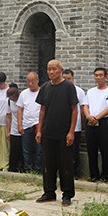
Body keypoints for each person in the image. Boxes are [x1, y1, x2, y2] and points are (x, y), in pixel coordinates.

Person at [35, 60, 78, 206]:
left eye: (54, 69)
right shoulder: (45, 87)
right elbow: (42, 110)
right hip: (48, 132)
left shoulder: (68, 87)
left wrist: (71, 131)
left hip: (64, 132)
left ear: (60, 70)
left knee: (65, 164)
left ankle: (67, 194)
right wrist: (39, 130)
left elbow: (74, 109)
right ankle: (49, 192)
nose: (51, 72)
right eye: (49, 69)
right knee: (48, 164)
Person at [83, 67, 108, 182]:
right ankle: (93, 175)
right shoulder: (91, 91)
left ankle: (105, 175)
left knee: (105, 150)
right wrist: (88, 116)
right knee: (91, 150)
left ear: (105, 76)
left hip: (104, 123)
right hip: (90, 122)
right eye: (96, 75)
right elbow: (85, 105)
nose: (98, 77)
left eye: (101, 75)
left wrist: (96, 118)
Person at [63, 69, 87, 178]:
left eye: (69, 78)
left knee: (74, 151)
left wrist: (82, 124)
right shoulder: (60, 89)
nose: (67, 80)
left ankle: (75, 172)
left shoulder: (79, 91)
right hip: (62, 126)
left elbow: (82, 108)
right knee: (62, 151)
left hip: (75, 127)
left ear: (73, 78)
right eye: (65, 78)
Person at [17, 71, 42, 172]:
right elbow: (20, 109)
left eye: (32, 81)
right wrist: (20, 124)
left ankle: (38, 169)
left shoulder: (42, 92)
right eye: (28, 81)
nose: (30, 83)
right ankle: (28, 168)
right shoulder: (24, 93)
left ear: (37, 80)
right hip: (26, 125)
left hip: (38, 125)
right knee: (26, 149)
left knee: (39, 149)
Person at [7, 84, 23, 173]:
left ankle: (22, 168)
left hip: (23, 129)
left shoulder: (22, 100)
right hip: (13, 129)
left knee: (22, 151)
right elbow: (9, 116)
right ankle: (12, 168)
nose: (10, 99)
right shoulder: (9, 102)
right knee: (13, 151)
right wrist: (8, 131)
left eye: (11, 97)